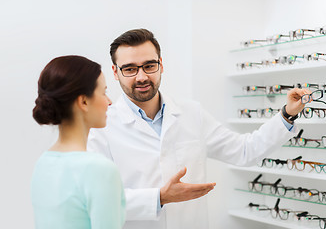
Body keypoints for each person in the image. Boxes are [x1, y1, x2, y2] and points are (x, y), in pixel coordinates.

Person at [87, 29, 310, 229]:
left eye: (149, 65)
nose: (142, 76)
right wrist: (160, 197)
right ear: (115, 73)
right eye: (130, 69)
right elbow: (98, 202)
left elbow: (244, 151)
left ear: (161, 64)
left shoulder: (191, 113)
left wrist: (287, 114)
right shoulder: (101, 126)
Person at [31, 55, 125, 229]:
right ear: (83, 101)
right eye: (103, 92)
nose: (109, 102)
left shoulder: (43, 163)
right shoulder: (99, 169)